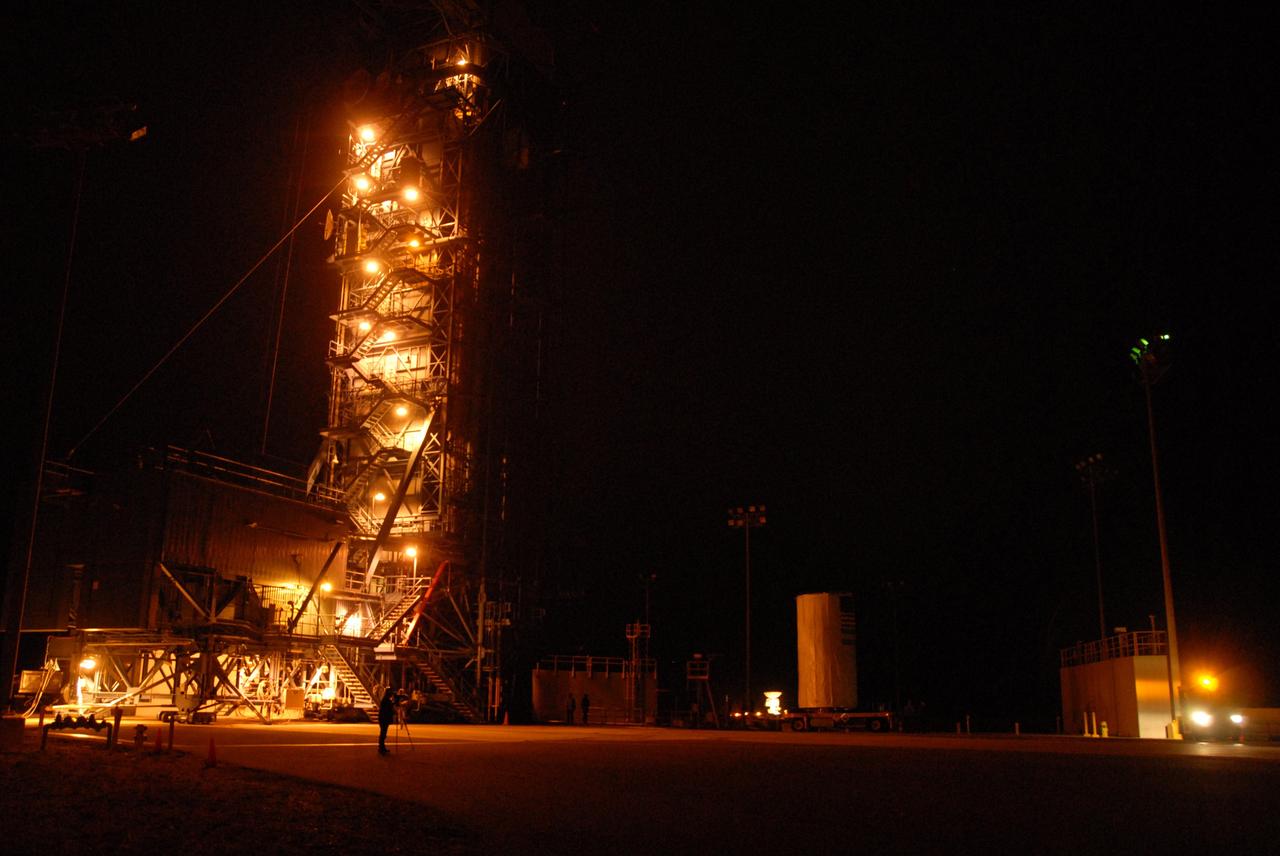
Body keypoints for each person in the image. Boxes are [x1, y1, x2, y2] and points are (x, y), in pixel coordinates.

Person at [378, 686, 396, 754]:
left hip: (383, 719)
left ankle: (382, 747)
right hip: (384, 719)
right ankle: (381, 748)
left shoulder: (385, 699)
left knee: (383, 733)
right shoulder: (386, 700)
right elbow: (389, 709)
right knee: (383, 733)